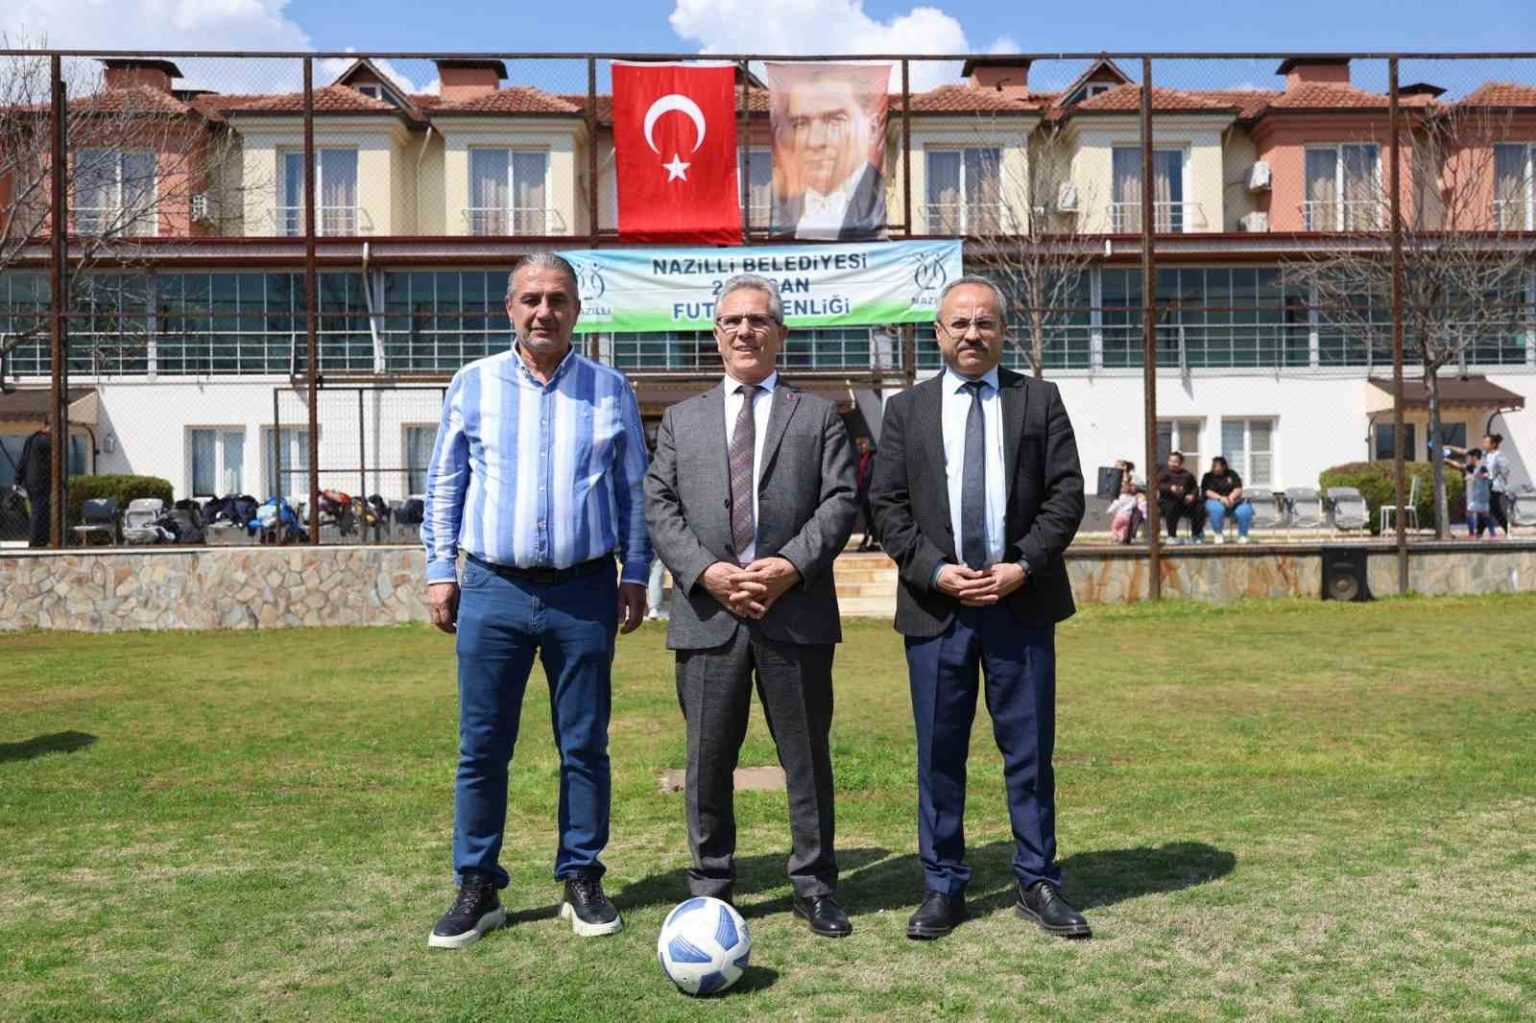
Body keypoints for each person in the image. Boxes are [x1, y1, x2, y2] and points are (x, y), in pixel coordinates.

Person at [420, 253, 652, 949]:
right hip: (492, 587)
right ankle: (478, 884)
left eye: (557, 299)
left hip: (585, 589)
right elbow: (445, 483)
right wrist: (440, 569)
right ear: (510, 309)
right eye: (530, 299)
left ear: (577, 310)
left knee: (584, 744)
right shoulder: (473, 384)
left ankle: (581, 876)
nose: (543, 311)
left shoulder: (610, 388)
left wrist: (636, 573)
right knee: (482, 745)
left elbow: (633, 492)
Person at [869, 275, 1090, 942]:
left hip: (1020, 605)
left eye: (984, 322)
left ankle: (1037, 879)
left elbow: (1066, 494)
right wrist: (936, 571)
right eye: (959, 323)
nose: (972, 333)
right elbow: (885, 505)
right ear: (938, 333)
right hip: (937, 612)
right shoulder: (905, 410)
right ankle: (943, 885)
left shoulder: (1038, 400)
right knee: (940, 754)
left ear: (1003, 331)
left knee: (1029, 752)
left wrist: (1024, 565)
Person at [645, 274, 858, 937]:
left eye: (759, 319)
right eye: (732, 320)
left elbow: (841, 501)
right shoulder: (681, 420)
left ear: (780, 333)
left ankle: (815, 886)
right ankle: (711, 886)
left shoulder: (817, 416)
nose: (745, 330)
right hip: (708, 618)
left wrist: (790, 566)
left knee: (805, 758)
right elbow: (659, 505)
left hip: (795, 614)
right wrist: (706, 571)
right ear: (716, 334)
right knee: (707, 761)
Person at [770, 67, 886, 241]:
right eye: (801, 124)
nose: (815, 142)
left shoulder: (889, 201)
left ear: (872, 128)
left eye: (835, 120)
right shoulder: (784, 206)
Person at [1200, 455, 1255, 544]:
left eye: (1216, 466)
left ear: (1224, 466)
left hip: (1233, 502)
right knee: (1217, 508)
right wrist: (1221, 499)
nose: (1213, 467)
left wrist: (1231, 498)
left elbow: (1238, 488)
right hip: (1215, 501)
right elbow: (1207, 492)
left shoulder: (1232, 474)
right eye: (1213, 465)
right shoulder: (1207, 476)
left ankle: (1243, 535)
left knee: (1245, 510)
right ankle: (1218, 534)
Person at [16, 426, 52, 548]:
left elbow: (23, 459)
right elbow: (52, 461)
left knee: (37, 510)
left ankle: (39, 540)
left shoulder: (31, 439)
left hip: (30, 481)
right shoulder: (48, 441)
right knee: (40, 511)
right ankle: (37, 541)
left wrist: (17, 479)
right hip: (41, 480)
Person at [1158, 451, 1204, 544]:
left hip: (1184, 502)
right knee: (1171, 506)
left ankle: (1196, 535)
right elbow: (1157, 485)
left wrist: (1192, 495)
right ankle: (1172, 535)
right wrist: (1170, 488)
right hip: (1168, 501)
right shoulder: (1163, 474)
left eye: (1176, 462)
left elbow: (1195, 488)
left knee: (1199, 507)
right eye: (1171, 461)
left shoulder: (1187, 475)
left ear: (1181, 463)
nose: (1173, 464)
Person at [1481, 432, 1512, 536]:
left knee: (1491, 509)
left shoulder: (1498, 456)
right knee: (1491, 509)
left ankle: (1479, 531)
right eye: (1483, 442)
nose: (1484, 444)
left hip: (1494, 487)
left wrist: (1494, 477)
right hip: (1485, 486)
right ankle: (1507, 530)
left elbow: (1505, 470)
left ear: (1493, 444)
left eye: (1486, 442)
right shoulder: (1484, 455)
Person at [854, 435, 879, 551]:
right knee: (867, 518)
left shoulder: (872, 458)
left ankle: (873, 540)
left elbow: (873, 477)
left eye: (862, 444)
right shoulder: (860, 460)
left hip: (870, 494)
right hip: (863, 493)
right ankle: (870, 539)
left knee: (871, 518)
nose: (861, 447)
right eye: (859, 445)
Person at [1106, 476, 1144, 544]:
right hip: (1127, 518)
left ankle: (1115, 538)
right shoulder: (1132, 499)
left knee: (1114, 527)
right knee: (1123, 529)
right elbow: (1135, 504)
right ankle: (1122, 538)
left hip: (1119, 516)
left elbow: (1115, 505)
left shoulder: (1119, 498)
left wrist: (1109, 511)